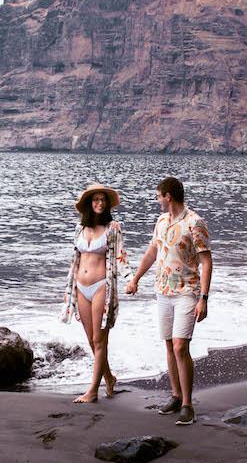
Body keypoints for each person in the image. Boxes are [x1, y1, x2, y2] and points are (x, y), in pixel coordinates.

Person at [125, 176, 212, 425]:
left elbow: (207, 262)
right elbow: (153, 251)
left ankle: (187, 404)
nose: (157, 201)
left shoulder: (195, 223)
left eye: (158, 196)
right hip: (163, 291)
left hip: (188, 291)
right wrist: (136, 279)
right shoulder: (161, 221)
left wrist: (203, 299)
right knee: (168, 344)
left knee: (179, 346)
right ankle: (175, 396)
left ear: (168, 196)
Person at [60, 184, 131, 403]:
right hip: (80, 288)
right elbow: (76, 259)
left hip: (101, 286)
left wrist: (130, 280)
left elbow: (120, 256)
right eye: (95, 200)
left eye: (103, 200)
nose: (99, 203)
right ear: (89, 204)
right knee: (92, 341)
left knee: (100, 341)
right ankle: (109, 378)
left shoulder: (113, 228)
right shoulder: (79, 228)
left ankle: (92, 391)